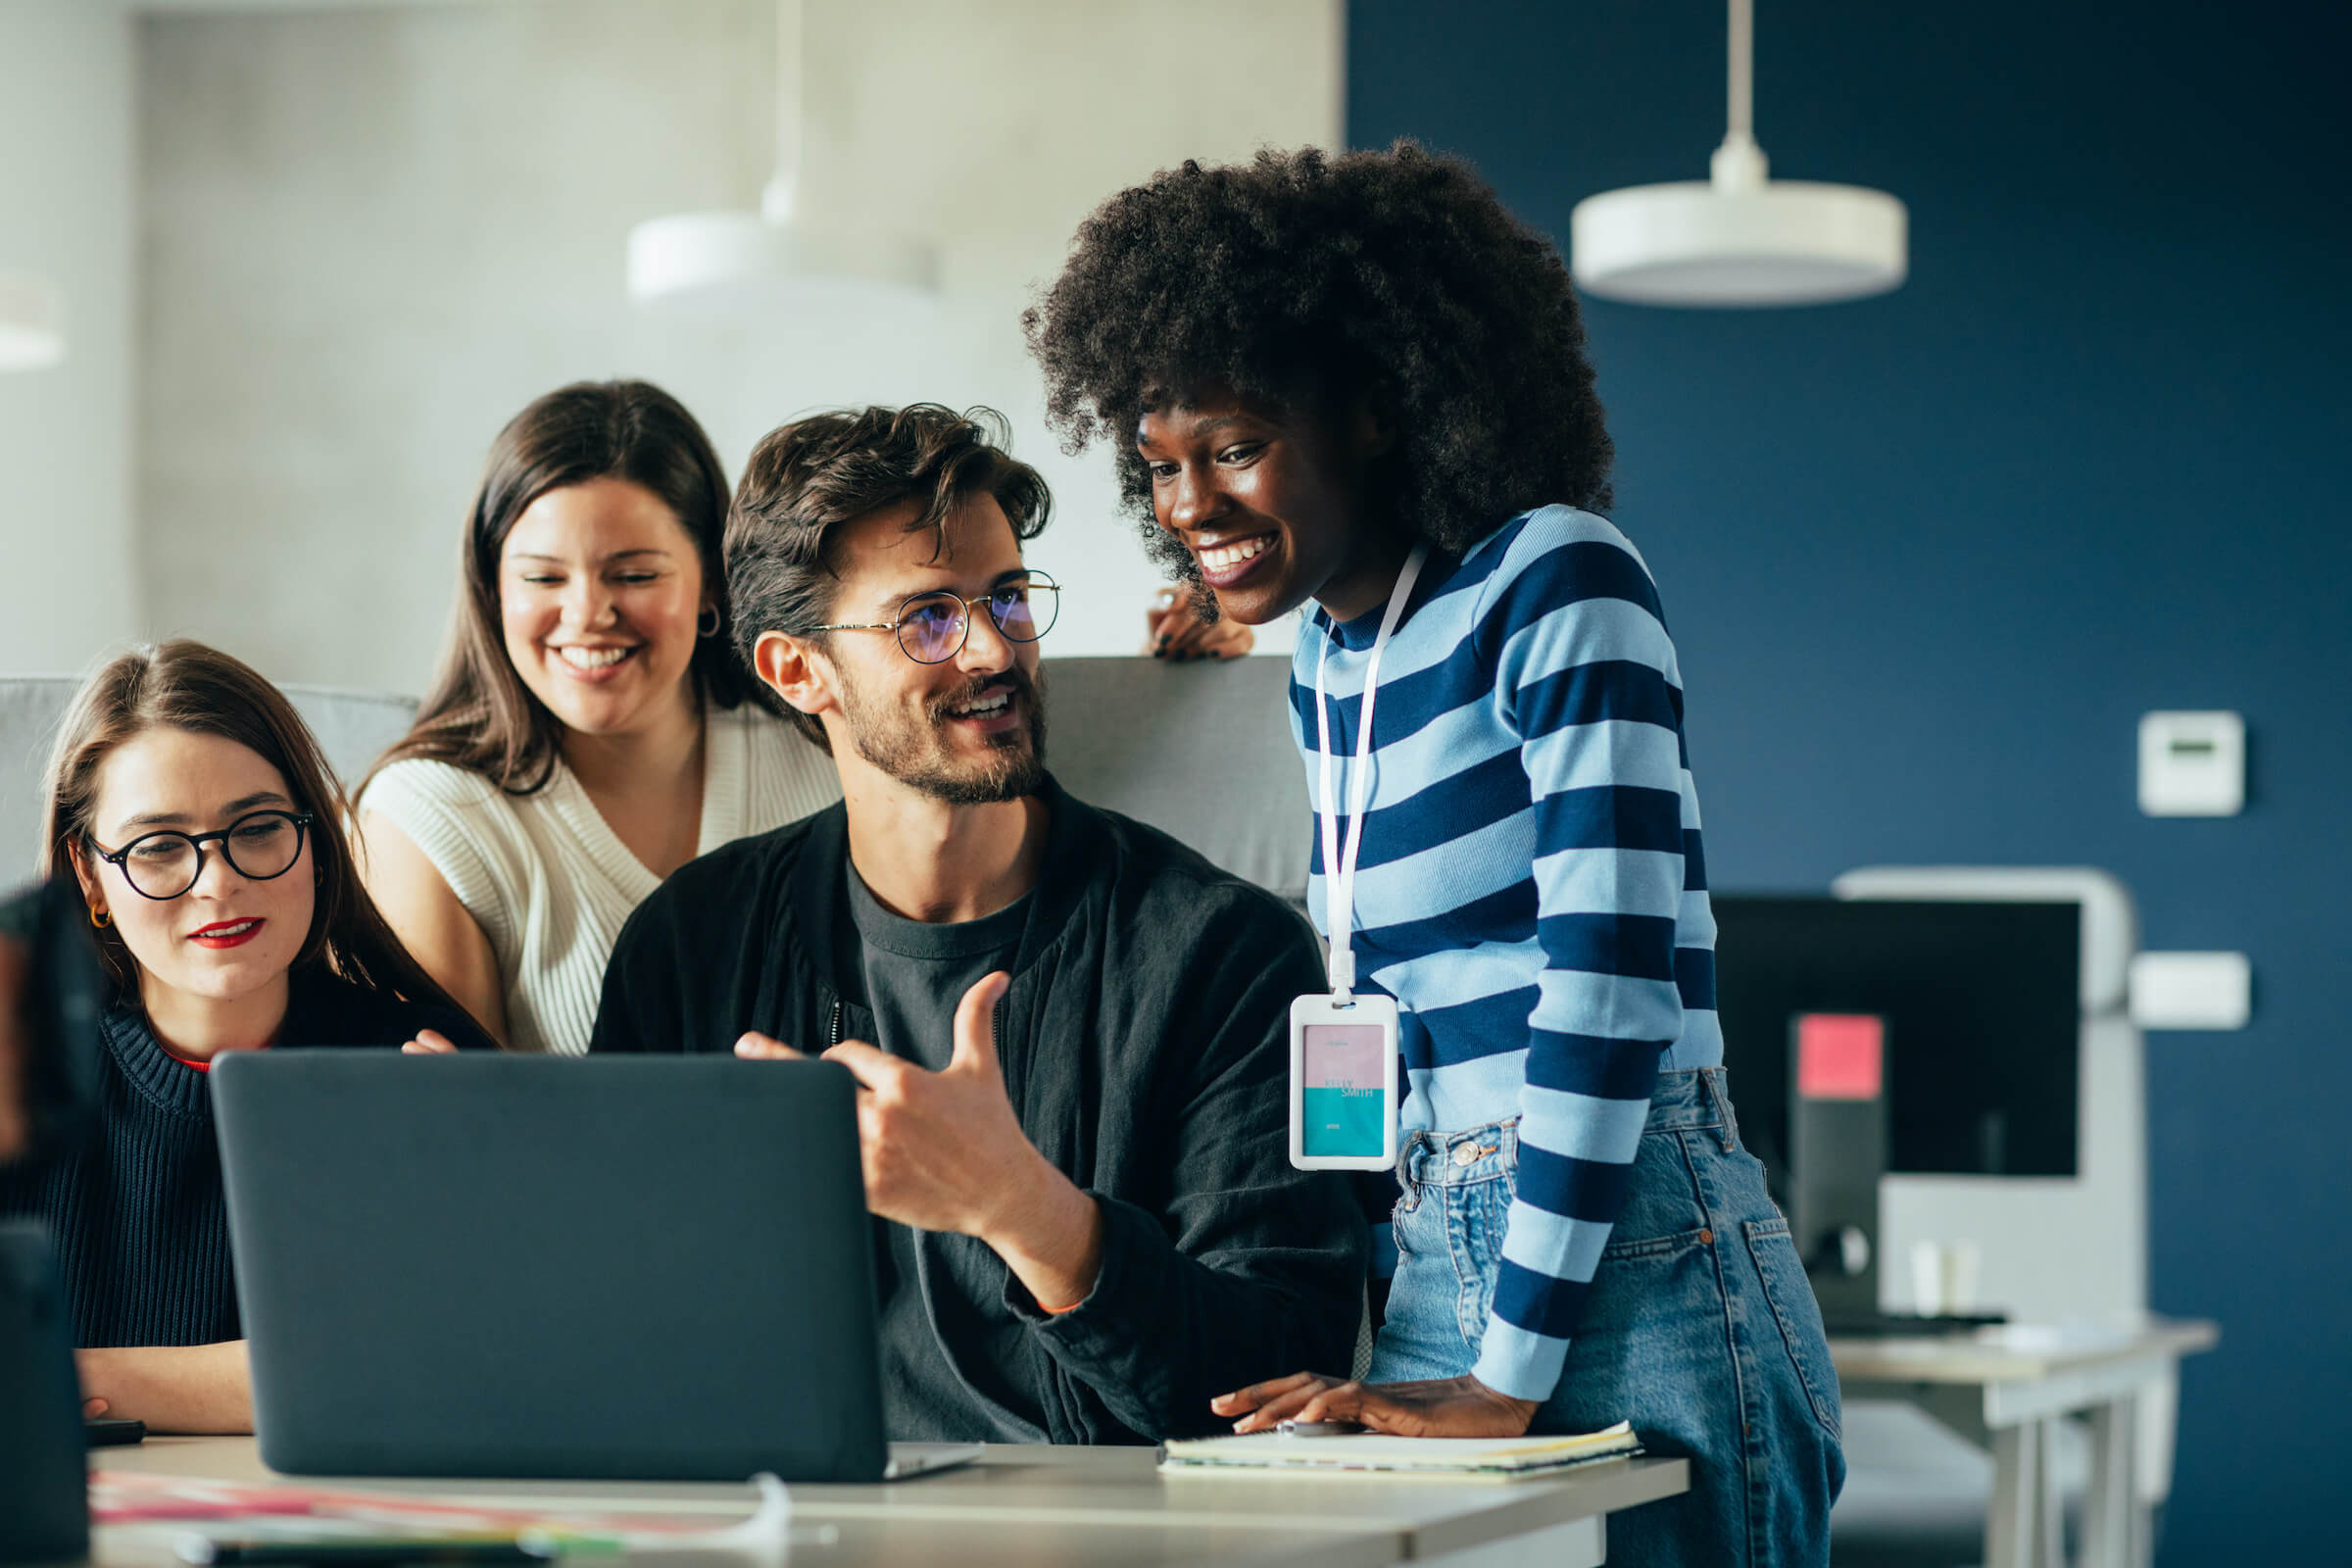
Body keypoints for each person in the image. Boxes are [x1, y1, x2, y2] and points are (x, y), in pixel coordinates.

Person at [1025, 144, 1843, 1558]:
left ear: (1378, 412)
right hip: (1435, 1244)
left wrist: (1505, 1372)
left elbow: (1608, 995)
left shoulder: (1559, 579)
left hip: (1636, 1237)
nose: (1189, 508)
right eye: (1160, 467)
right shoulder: (1329, 657)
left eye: (1234, 450)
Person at [590, 403, 1364, 1445]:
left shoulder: (1224, 954)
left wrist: (1027, 1212)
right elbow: (631, 1329)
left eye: (1007, 599)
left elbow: (1286, 1371)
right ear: (795, 670)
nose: (993, 651)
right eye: (928, 619)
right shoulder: (690, 947)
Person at [0, 641, 489, 1433]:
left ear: (316, 842)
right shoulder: (18, 1073)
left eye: (258, 828)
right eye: (157, 847)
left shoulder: (422, 1068)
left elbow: (430, 1367)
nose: (218, 881)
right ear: (89, 875)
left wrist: (76, 1372)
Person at [358, 380, 844, 1055]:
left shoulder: (824, 750)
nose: (588, 614)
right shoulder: (431, 816)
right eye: (542, 578)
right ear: (491, 590)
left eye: (635, 575)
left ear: (710, 580)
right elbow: (464, 1130)